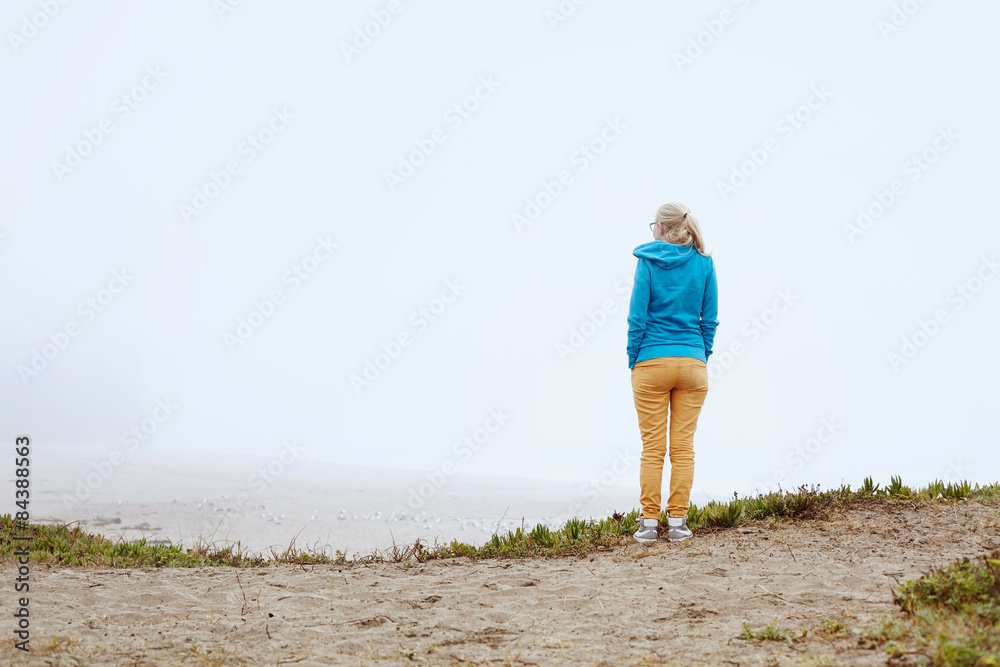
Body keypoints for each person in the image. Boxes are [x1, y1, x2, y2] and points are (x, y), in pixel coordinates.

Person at [627, 202, 718, 543]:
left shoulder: (648, 262)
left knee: (653, 448)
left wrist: (634, 359)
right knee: (683, 448)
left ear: (662, 229)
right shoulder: (705, 264)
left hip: (651, 362)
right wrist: (700, 355)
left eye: (654, 225)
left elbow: (637, 318)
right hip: (693, 364)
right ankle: (678, 523)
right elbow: (709, 320)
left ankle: (649, 525)